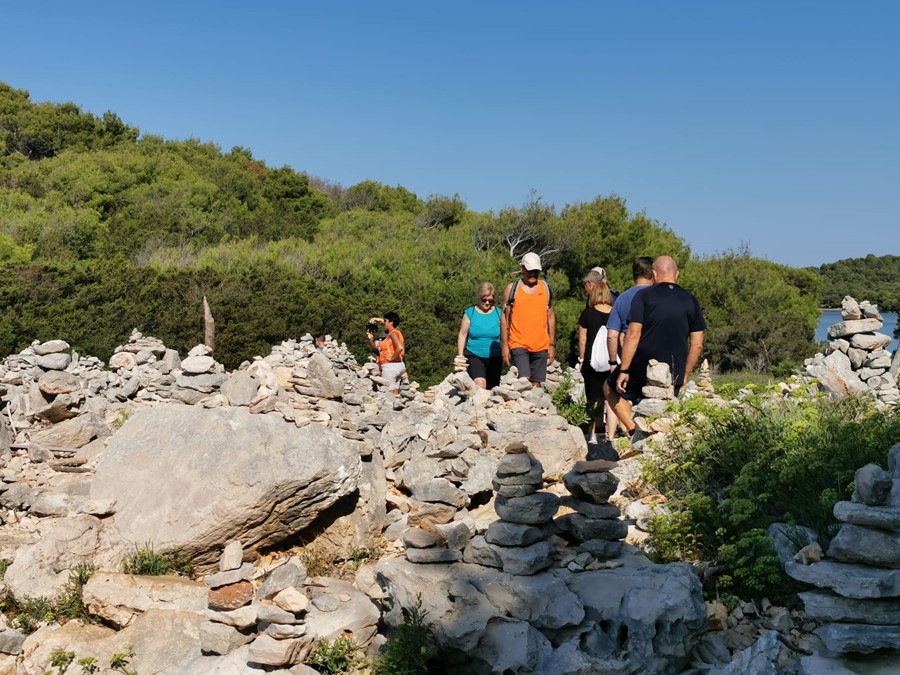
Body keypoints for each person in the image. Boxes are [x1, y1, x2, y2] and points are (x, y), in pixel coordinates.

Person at [610, 256, 706, 440]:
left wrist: (624, 369)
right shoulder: (690, 300)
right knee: (667, 410)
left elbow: (633, 334)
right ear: (677, 274)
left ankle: (633, 430)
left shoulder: (644, 296)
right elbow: (697, 344)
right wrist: (686, 374)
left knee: (609, 388)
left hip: (643, 367)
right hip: (674, 370)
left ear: (654, 274)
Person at [500, 252, 556, 387]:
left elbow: (551, 318)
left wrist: (552, 345)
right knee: (524, 380)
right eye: (530, 271)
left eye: (536, 271)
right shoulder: (512, 289)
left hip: (541, 345)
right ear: (522, 269)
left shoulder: (546, 289)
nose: (533, 274)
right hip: (518, 343)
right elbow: (504, 318)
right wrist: (504, 346)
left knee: (536, 384)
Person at [577, 272, 615, 444]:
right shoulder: (615, 314)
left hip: (592, 362)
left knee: (592, 399)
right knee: (611, 399)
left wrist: (582, 358)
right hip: (612, 361)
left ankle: (592, 434)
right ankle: (611, 436)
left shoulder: (587, 314)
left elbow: (583, 339)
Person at [457, 282, 503, 389]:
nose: (487, 303)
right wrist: (460, 356)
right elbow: (462, 334)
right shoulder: (470, 313)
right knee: (480, 384)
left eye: (490, 301)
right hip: (474, 354)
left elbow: (507, 334)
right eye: (484, 300)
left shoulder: (499, 313)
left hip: (494, 356)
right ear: (479, 298)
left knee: (493, 388)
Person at [367, 312, 405, 394]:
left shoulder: (394, 333)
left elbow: (400, 347)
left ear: (391, 322)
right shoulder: (395, 332)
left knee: (387, 393)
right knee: (395, 393)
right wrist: (371, 338)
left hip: (390, 366)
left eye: (385, 321)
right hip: (398, 365)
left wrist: (392, 358)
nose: (384, 323)